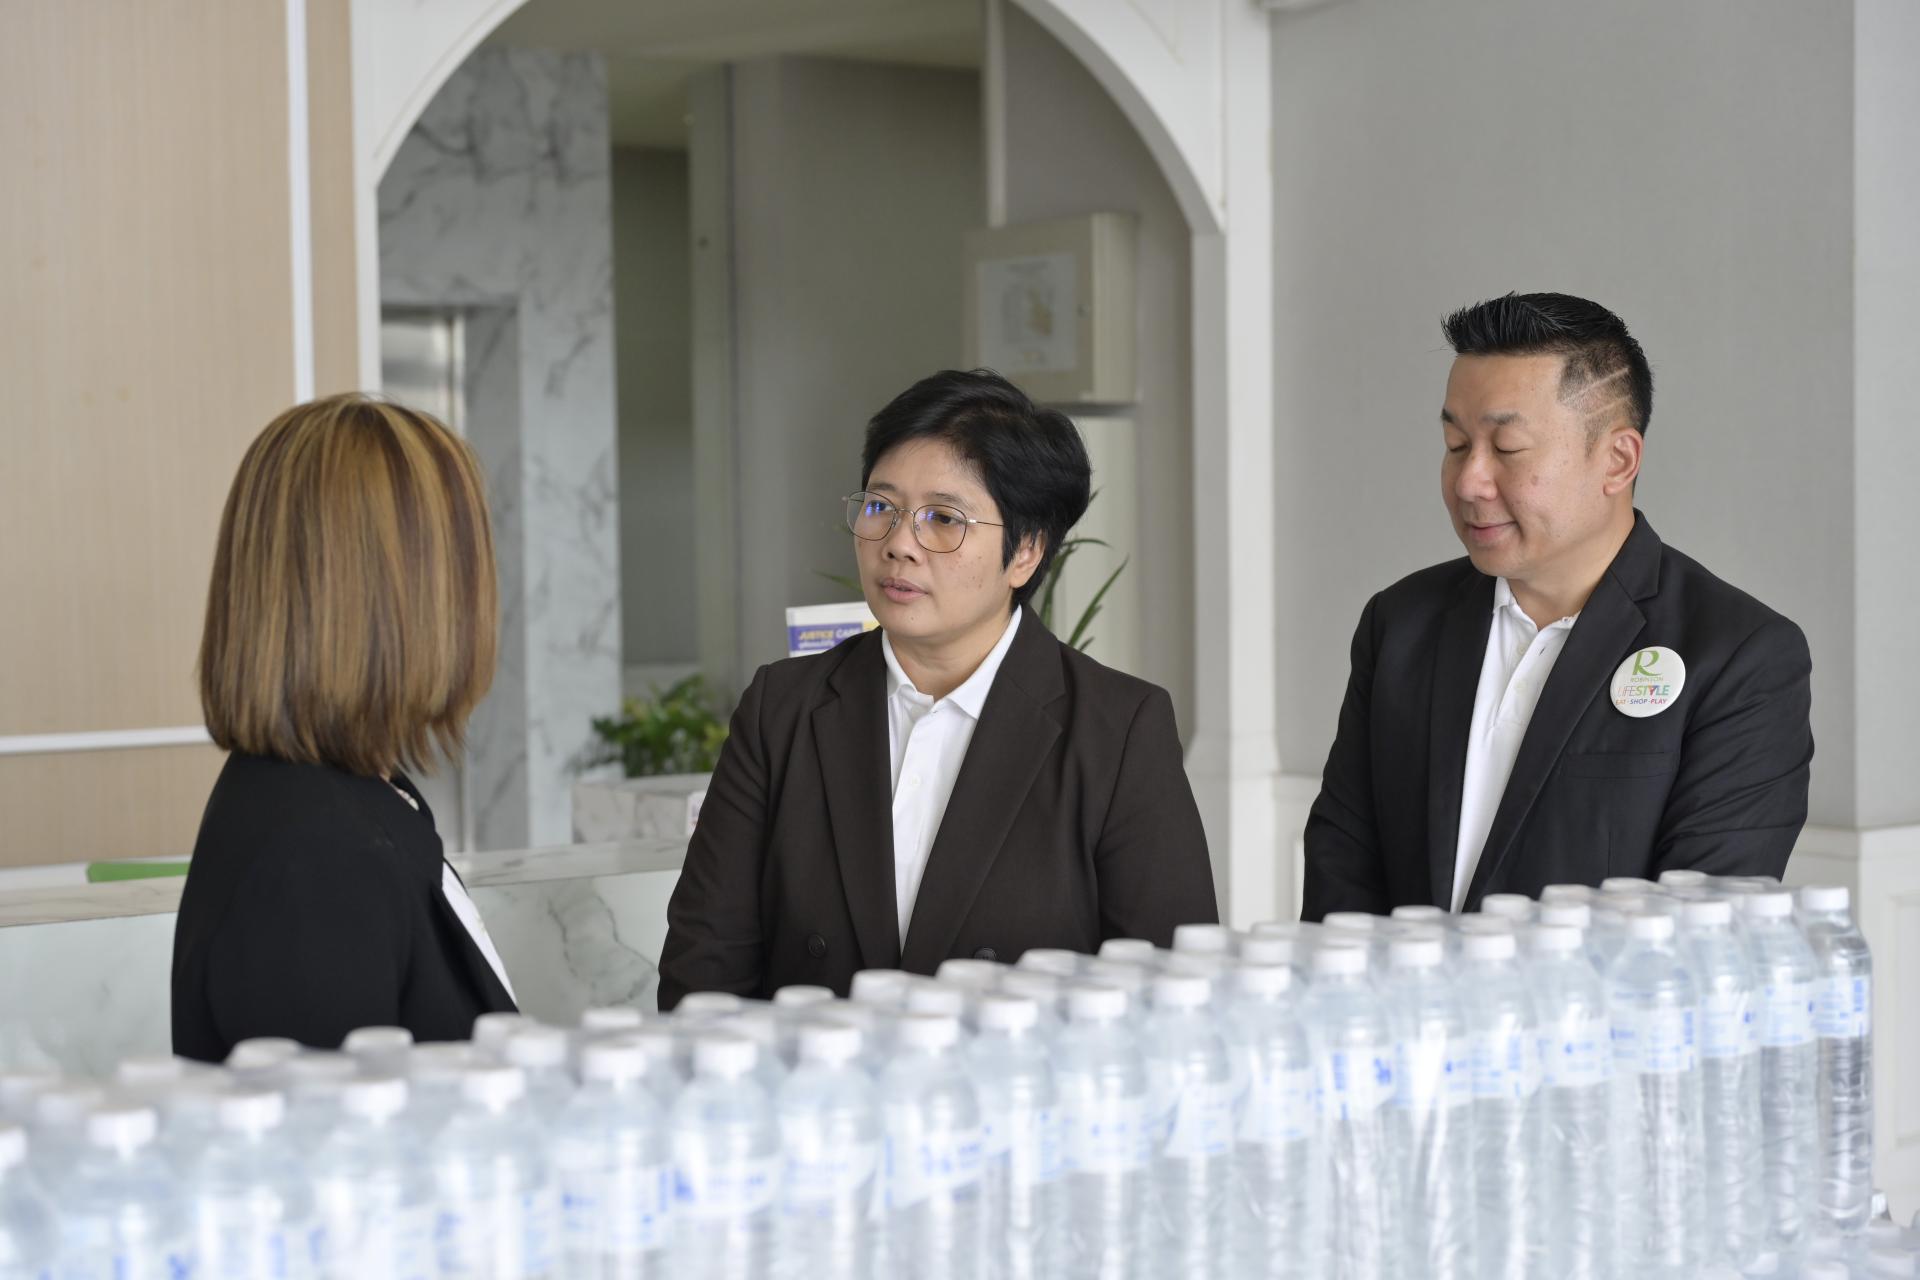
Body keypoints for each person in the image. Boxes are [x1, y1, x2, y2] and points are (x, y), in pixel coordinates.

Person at [658, 369, 1216, 1006]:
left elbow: (1172, 997)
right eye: (880, 508)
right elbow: (703, 970)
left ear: (1026, 552)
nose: (899, 545)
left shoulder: (1118, 729)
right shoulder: (783, 708)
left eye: (944, 519)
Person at [1302, 293, 1813, 918]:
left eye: (1507, 448)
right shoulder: (1401, 623)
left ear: (1617, 460)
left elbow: (1700, 930)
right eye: (1456, 444)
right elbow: (1343, 868)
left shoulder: (1739, 656)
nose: (1468, 481)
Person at [172, 393, 518, 1062]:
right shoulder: (313, 859)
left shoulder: (361, 798)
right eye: (466, 557)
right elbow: (336, 1121)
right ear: (410, 594)